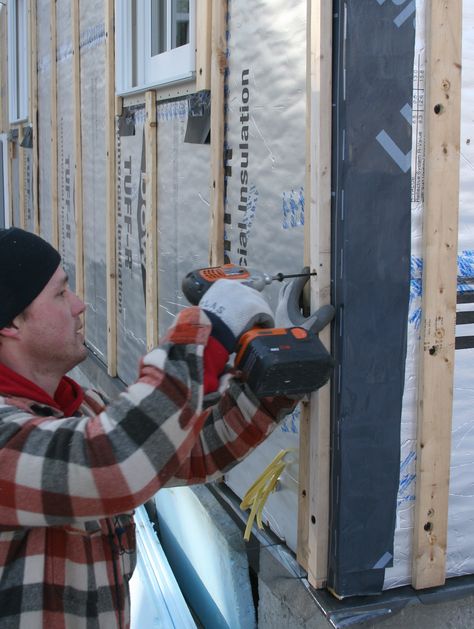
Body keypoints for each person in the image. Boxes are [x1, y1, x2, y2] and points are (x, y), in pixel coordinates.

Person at [0, 227, 299, 628]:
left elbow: (193, 452)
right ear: (11, 324)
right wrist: (208, 331)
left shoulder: (77, 408)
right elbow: (114, 465)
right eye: (60, 293)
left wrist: (275, 379)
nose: (80, 304)